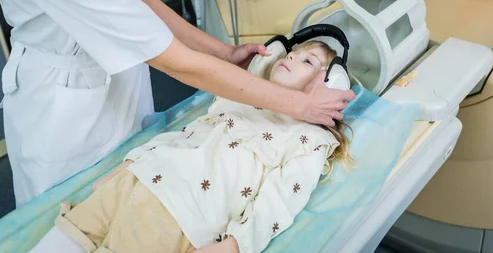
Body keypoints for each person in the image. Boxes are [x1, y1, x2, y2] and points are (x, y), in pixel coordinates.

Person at [0, 0, 355, 206]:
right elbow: (173, 61)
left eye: (307, 64)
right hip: (64, 105)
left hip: (126, 83)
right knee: (73, 216)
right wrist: (298, 104)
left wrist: (223, 53)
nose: (290, 59)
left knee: (135, 200)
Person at [30, 41, 354, 253]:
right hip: (139, 178)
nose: (293, 56)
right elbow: (185, 135)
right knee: (69, 233)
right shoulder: (238, 98)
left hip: (177, 212)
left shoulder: (309, 140)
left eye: (307, 60)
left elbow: (281, 200)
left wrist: (236, 245)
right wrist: (127, 165)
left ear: (329, 83)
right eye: (293, 52)